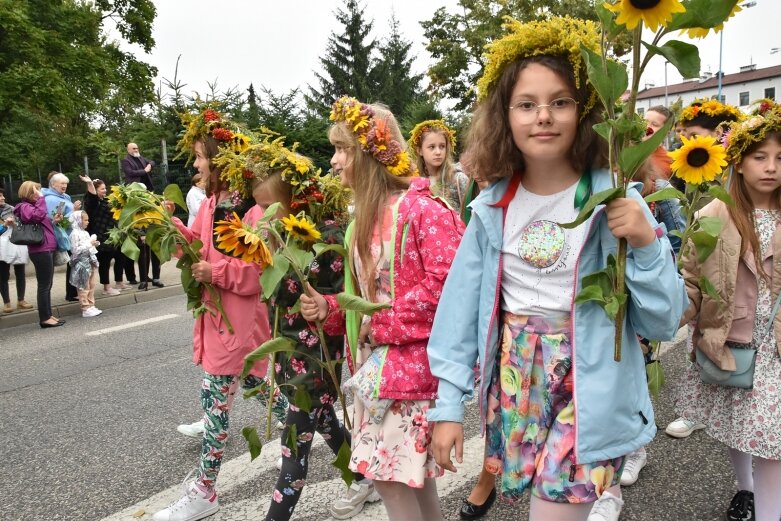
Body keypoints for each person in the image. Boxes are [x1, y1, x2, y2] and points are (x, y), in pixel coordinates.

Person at [424, 17, 686, 521]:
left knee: (552, 513)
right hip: (514, 379)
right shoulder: (490, 206)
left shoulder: (615, 197)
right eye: (526, 104)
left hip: (588, 382)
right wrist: (448, 406)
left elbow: (662, 321)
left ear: (585, 111)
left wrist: (648, 243)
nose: (543, 116)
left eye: (560, 101)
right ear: (505, 115)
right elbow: (458, 314)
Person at [301, 96, 465, 521]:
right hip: (379, 371)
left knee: (392, 481)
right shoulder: (364, 219)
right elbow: (369, 299)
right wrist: (331, 307)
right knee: (411, 479)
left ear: (373, 153)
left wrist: (382, 323)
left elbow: (452, 287)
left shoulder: (423, 209)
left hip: (409, 373)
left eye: (343, 149)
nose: (335, 161)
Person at [152, 108, 286, 521]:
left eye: (199, 155)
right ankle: (330, 441)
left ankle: (204, 491)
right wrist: (169, 225)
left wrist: (217, 272)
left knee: (215, 405)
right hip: (219, 320)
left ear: (218, 157)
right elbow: (199, 249)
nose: (194, 164)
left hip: (239, 324)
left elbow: (262, 271)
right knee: (265, 391)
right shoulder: (212, 203)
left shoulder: (250, 207)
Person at [675, 101, 781, 521]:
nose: (771, 167)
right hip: (733, 340)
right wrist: (663, 317)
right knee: (741, 426)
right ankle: (745, 489)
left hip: (776, 349)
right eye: (760, 157)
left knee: (773, 446)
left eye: (780, 158)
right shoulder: (712, 213)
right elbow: (690, 279)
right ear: (737, 162)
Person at [665, 97, 745, 440]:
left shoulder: (738, 178)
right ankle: (698, 409)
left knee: (733, 340)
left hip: (736, 273)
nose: (686, 143)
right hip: (702, 267)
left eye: (695, 135)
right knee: (698, 339)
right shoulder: (692, 172)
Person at [14, 181, 65, 328]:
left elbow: (41, 222)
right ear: (29, 192)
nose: (39, 193)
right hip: (40, 250)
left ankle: (48, 314)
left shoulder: (33, 207)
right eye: (36, 191)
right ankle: (44, 318)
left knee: (47, 284)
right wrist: (42, 199)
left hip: (46, 248)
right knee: (44, 285)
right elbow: (36, 217)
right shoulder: (24, 207)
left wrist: (53, 221)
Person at [79, 175, 127, 295]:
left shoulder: (107, 200)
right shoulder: (92, 202)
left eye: (105, 188)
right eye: (102, 189)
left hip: (113, 234)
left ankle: (119, 282)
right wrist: (90, 183)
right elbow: (92, 197)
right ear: (95, 190)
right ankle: (107, 287)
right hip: (101, 234)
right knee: (105, 261)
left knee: (120, 257)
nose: (105, 190)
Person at [408, 119, 469, 211]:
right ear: (419, 150)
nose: (438, 152)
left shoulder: (458, 179)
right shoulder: (415, 181)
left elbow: (471, 215)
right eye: (431, 147)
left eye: (442, 146)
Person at [42, 172, 78, 301]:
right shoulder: (51, 199)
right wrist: (73, 211)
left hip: (70, 234)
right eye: (62, 183)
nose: (65, 186)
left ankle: (73, 292)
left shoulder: (64, 196)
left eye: (66, 184)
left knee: (73, 263)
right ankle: (71, 293)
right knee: (72, 263)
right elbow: (56, 221)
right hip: (62, 236)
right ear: (53, 184)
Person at [0, 187, 32, 313]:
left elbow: (21, 225)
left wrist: (14, 224)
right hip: (2, 246)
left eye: (2, 195)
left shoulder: (12, 210)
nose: (2, 198)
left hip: (15, 242)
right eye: (0, 196)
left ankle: (21, 300)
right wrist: (4, 226)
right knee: (3, 274)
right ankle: (7, 303)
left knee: (20, 271)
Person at [68, 210, 102, 318]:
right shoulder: (74, 234)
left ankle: (91, 304)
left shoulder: (85, 233)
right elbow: (74, 250)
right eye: (85, 220)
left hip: (90, 260)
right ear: (78, 220)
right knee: (84, 285)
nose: (88, 222)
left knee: (92, 284)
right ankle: (85, 307)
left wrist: (94, 244)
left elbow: (89, 246)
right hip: (81, 263)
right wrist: (89, 244)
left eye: (87, 220)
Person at [644, 105, 674, 180]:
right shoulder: (624, 149)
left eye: (654, 124)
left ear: (666, 133)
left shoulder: (669, 161)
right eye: (644, 122)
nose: (646, 127)